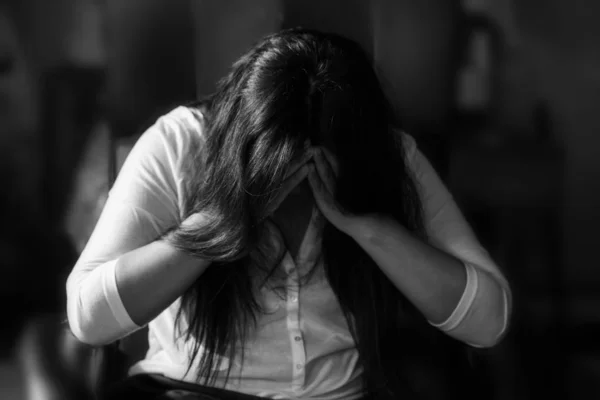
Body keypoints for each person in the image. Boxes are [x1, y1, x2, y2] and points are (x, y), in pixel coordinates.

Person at [66, 28, 512, 400]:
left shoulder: (388, 153)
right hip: (189, 390)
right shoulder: (180, 143)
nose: (301, 184)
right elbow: (89, 318)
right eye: (286, 166)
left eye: (318, 163)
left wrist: (370, 228)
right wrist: (222, 225)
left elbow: (488, 320)